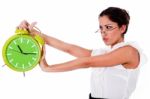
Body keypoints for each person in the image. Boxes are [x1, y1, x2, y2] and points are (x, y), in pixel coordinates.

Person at [17, 7, 146, 99]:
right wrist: (34, 33)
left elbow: (87, 62)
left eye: (108, 27)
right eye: (101, 28)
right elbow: (68, 48)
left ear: (122, 28)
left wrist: (48, 68)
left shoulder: (129, 51)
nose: (103, 32)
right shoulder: (104, 53)